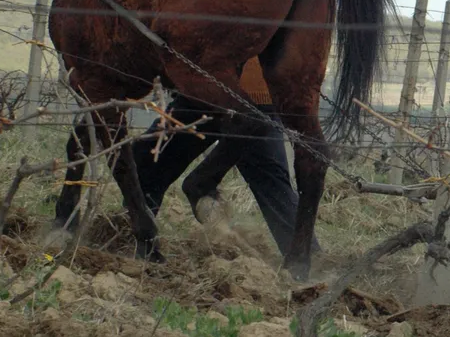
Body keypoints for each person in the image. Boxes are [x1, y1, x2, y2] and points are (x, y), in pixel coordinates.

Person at [131, 56, 321, 257]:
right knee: (274, 187)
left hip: (216, 89)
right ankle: (310, 260)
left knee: (148, 163)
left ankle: (136, 244)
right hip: (250, 95)